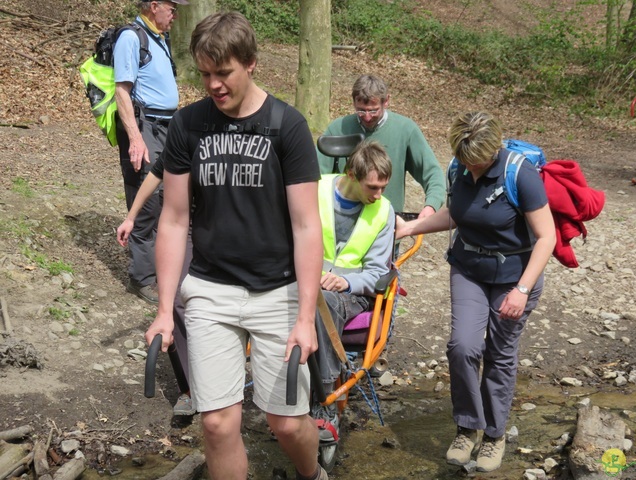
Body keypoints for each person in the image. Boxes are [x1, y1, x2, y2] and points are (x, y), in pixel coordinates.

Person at [145, 12, 328, 480]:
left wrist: (306, 319)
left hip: (278, 292)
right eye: (205, 74)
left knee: (286, 423)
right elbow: (174, 218)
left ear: (250, 64)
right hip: (210, 289)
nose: (213, 85)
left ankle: (314, 475)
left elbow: (308, 226)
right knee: (217, 422)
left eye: (222, 73)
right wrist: (165, 310)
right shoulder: (188, 125)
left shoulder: (286, 126)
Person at [395, 112, 556, 473]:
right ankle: (467, 427)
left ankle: (495, 435)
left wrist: (522, 290)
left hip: (516, 277)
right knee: (463, 346)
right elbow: (456, 214)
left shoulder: (520, 174)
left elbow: (547, 237)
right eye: (464, 160)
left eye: (476, 161)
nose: (470, 167)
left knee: (500, 354)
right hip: (468, 268)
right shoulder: (460, 167)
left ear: (493, 151)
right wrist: (412, 228)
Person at [312, 140, 395, 442]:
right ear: (351, 174)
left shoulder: (384, 212)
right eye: (372, 187)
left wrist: (346, 282)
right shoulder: (312, 189)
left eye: (383, 187)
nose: (379, 195)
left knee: (326, 303)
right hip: (304, 280)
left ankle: (324, 399)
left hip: (351, 294)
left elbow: (377, 274)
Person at [114, 0, 188, 304]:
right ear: (154, 5)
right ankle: (142, 278)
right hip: (146, 127)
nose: (175, 14)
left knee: (172, 195)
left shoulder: (158, 38)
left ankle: (164, 269)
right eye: (172, 7)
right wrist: (135, 138)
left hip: (168, 127)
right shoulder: (131, 38)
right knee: (146, 203)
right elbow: (122, 91)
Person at [116, 159, 195, 417]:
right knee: (173, 299)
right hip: (186, 225)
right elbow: (157, 172)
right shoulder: (186, 130)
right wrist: (130, 217)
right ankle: (190, 389)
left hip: (226, 229)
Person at [316, 74, 445, 218]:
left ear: (386, 101)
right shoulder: (338, 129)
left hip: (386, 224)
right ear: (353, 102)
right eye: (361, 110)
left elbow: (432, 173)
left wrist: (431, 205)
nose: (367, 117)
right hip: (341, 220)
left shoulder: (405, 130)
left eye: (373, 110)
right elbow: (316, 176)